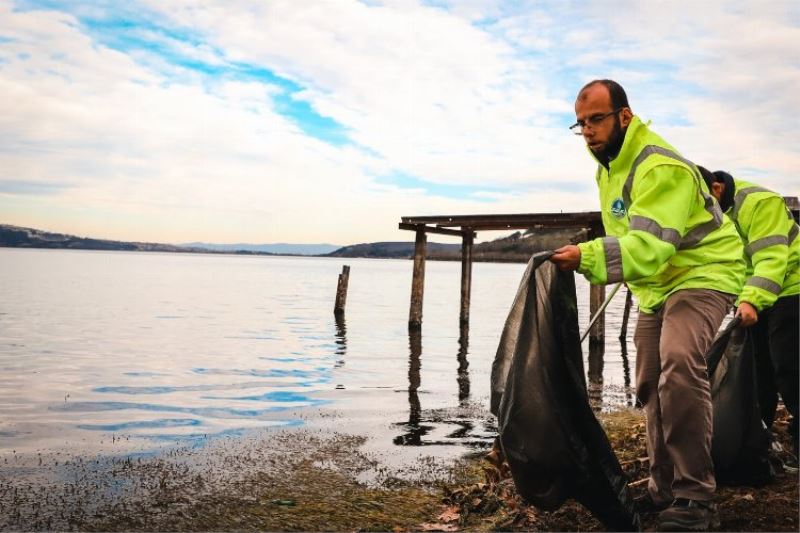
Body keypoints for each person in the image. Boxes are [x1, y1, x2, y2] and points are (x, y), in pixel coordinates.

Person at [550, 79, 745, 532]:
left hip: (705, 270)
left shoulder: (659, 165)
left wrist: (590, 256)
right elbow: (630, 235)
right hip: (658, 285)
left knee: (679, 362)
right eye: (580, 124)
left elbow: (651, 244)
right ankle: (663, 487)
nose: (588, 131)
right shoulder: (607, 167)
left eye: (596, 118)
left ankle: (697, 498)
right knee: (649, 380)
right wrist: (600, 253)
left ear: (625, 116)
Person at [699, 167, 799, 452]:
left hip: (792, 288)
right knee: (757, 372)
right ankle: (758, 442)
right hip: (751, 295)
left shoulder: (760, 202)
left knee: (790, 369)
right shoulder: (711, 212)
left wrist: (751, 299)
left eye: (703, 200)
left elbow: (771, 258)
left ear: (717, 188)